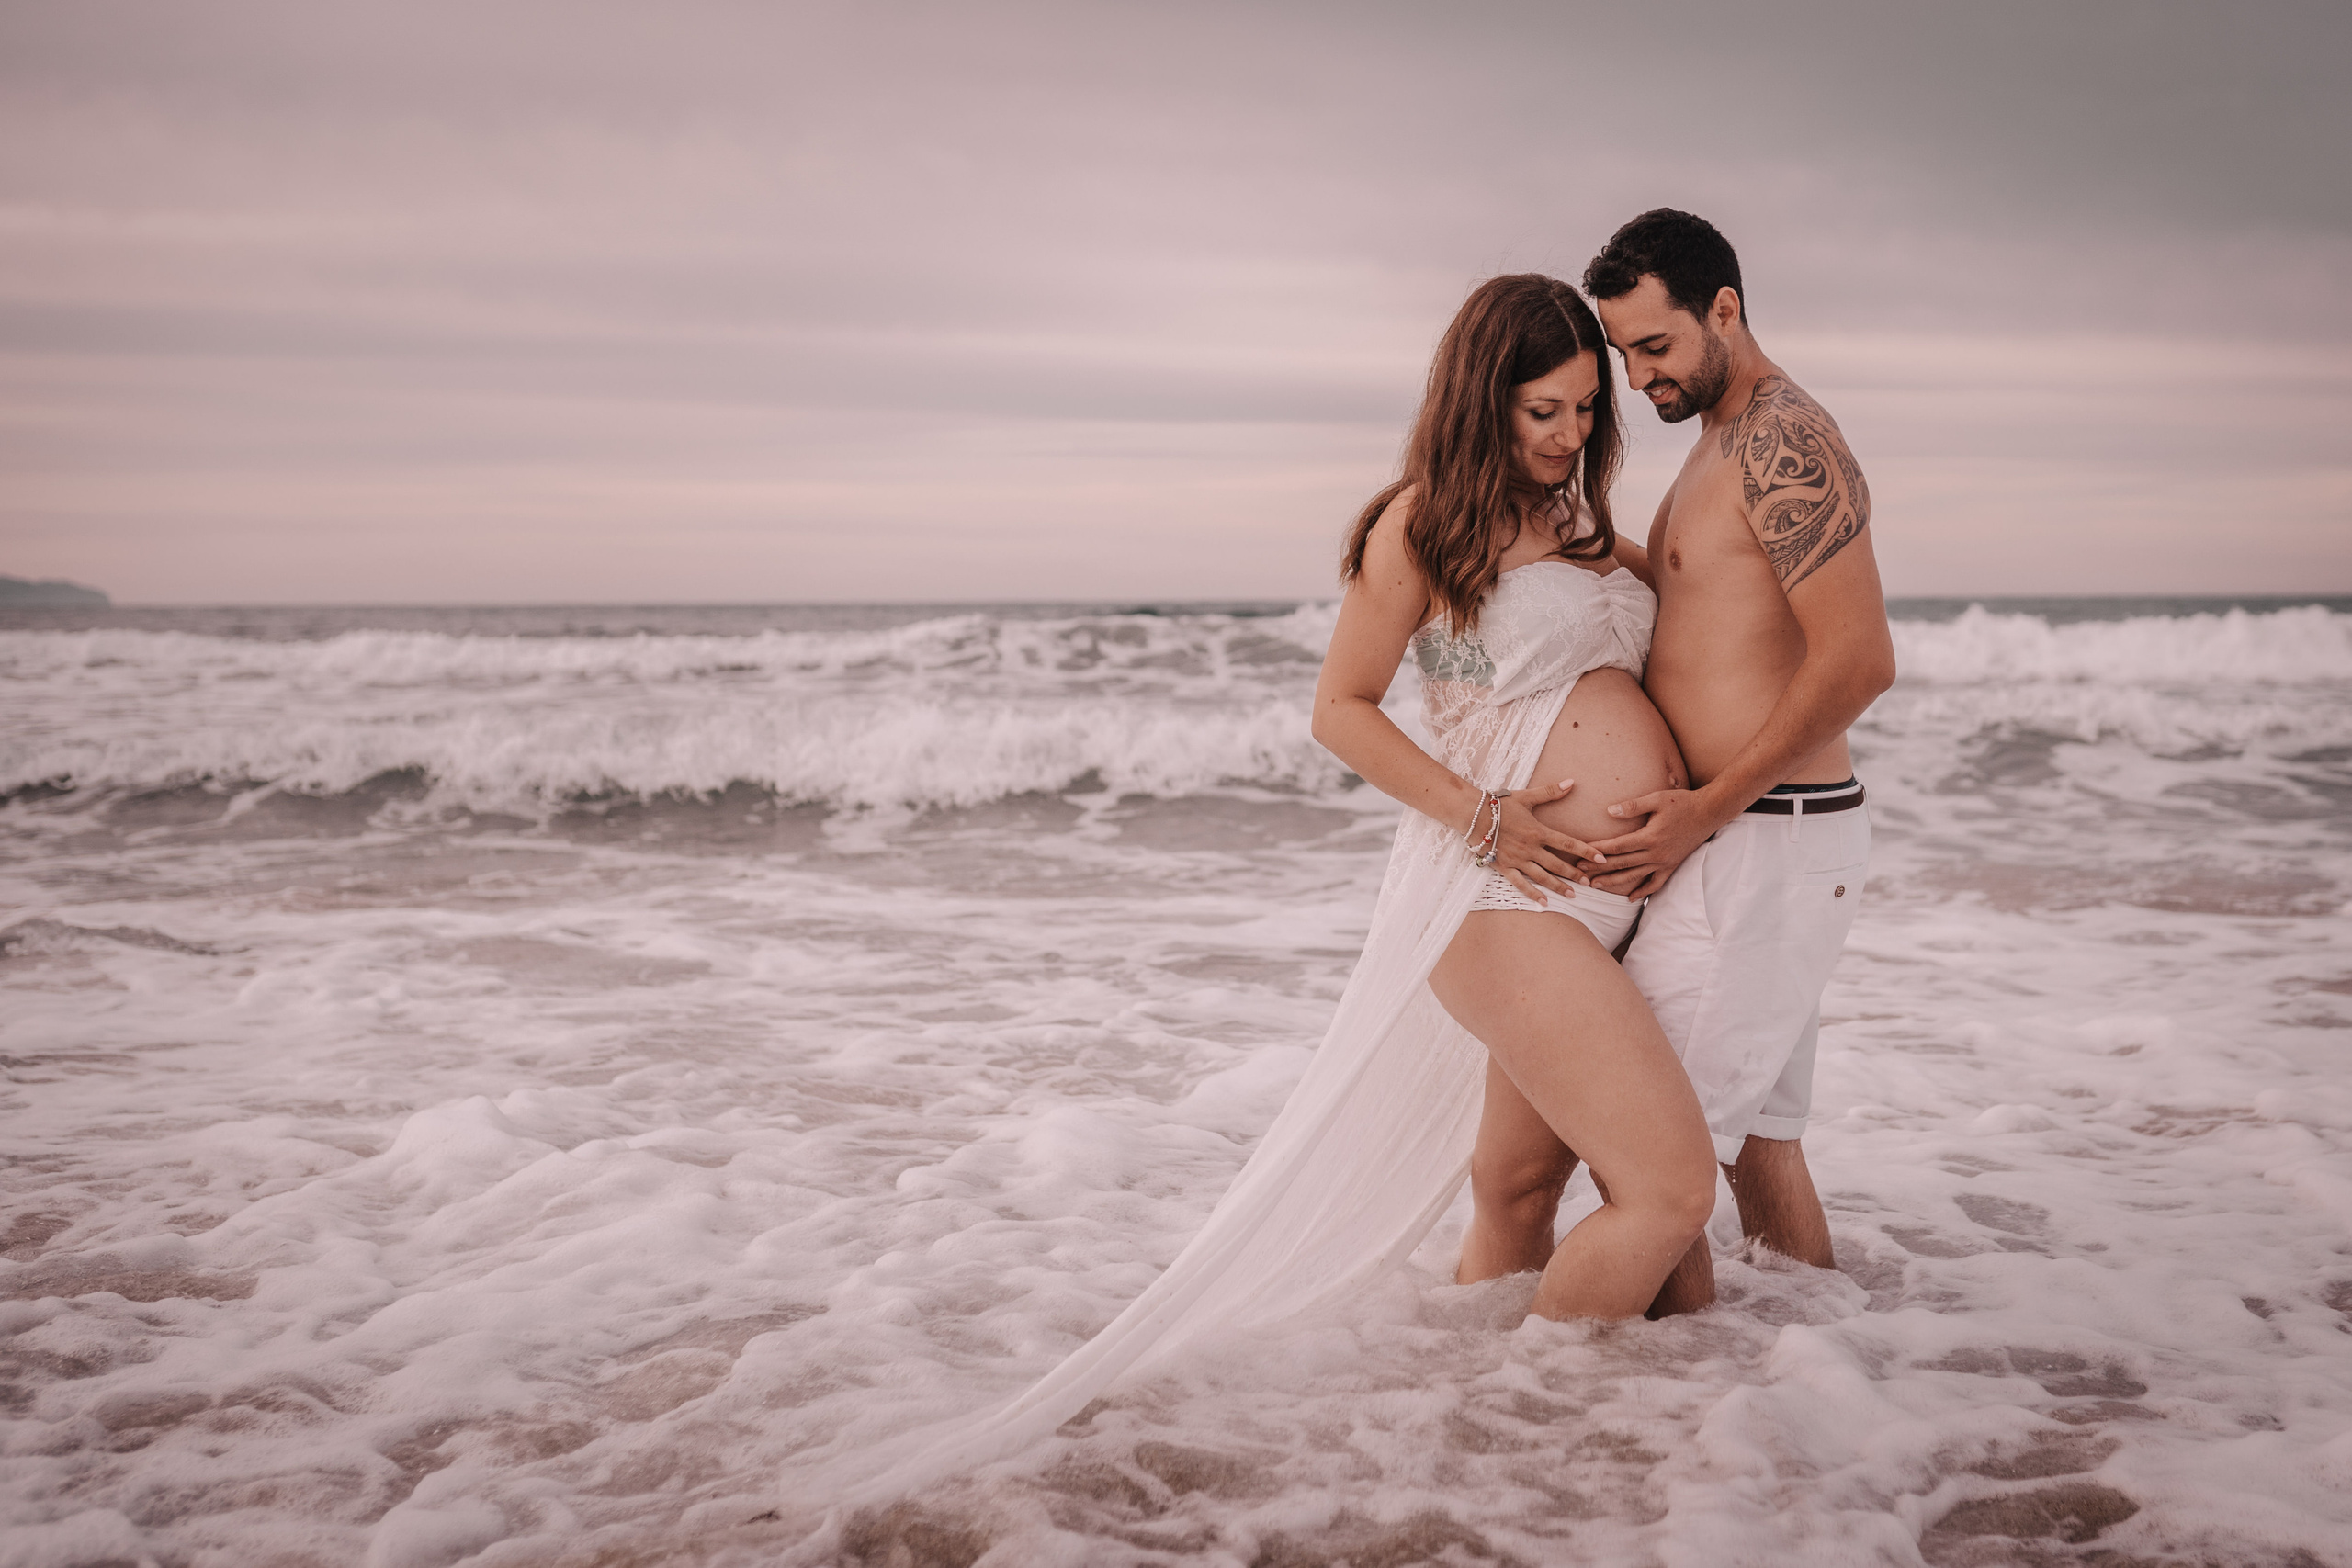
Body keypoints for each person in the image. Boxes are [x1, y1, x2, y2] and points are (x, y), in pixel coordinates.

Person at [786, 276, 1719, 1529]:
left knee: (1512, 1189)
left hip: (1598, 907)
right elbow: (1344, 706)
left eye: (1581, 409)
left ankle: (1486, 1474)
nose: (1564, 432)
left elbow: (1521, 672)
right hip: (1503, 898)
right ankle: (1522, 1448)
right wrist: (1484, 810)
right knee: (1669, 1192)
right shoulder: (1424, 528)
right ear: (1476, 397)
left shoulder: (1578, 518)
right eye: (1538, 409)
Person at [1574, 209, 1897, 1312]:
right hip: (1761, 846)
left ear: (1725, 309)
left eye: (1654, 348)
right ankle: (1811, 1386)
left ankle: (1665, 1426)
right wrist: (1567, 544)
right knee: (1757, 1148)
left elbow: (1858, 661)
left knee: (1644, 1170)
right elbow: (1713, 613)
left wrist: (1702, 807)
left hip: (1760, 847)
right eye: (1623, 356)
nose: (1638, 379)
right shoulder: (1720, 440)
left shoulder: (1783, 441)